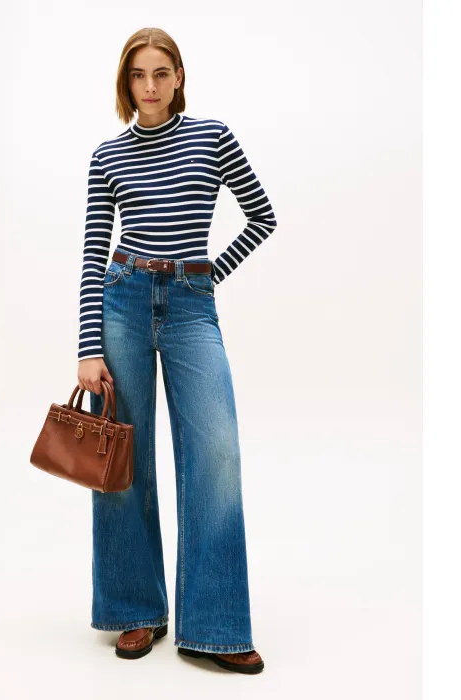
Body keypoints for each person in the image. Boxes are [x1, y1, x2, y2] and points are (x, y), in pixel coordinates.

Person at [76, 27, 277, 675]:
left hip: (191, 306)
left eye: (161, 73)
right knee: (122, 457)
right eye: (138, 75)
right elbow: (92, 255)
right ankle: (135, 608)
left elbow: (263, 215)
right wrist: (87, 348)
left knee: (217, 451)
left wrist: (210, 273)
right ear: (126, 82)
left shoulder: (213, 137)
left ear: (180, 77)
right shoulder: (107, 155)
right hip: (124, 302)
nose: (151, 85)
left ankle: (216, 624)